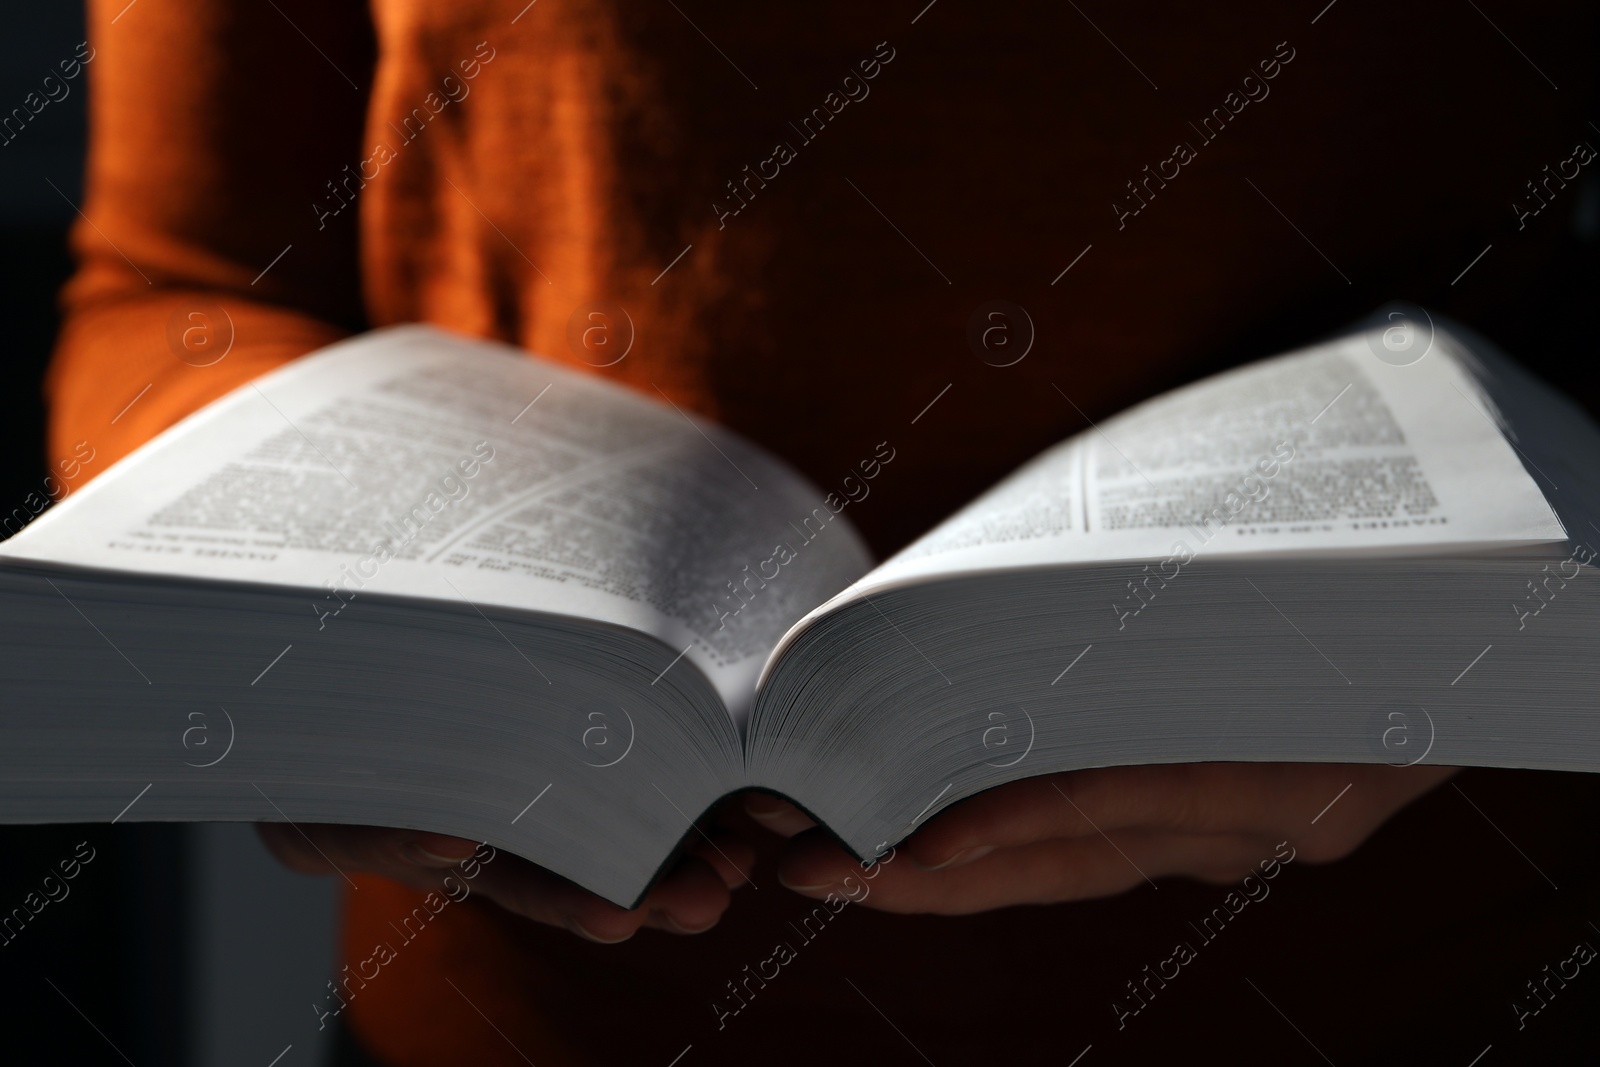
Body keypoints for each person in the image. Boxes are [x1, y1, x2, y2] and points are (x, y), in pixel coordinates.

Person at [50, 0, 1600, 1062]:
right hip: (520, 1019)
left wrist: (1481, 648)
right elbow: (175, 287)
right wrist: (293, 641)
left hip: (1392, 985)